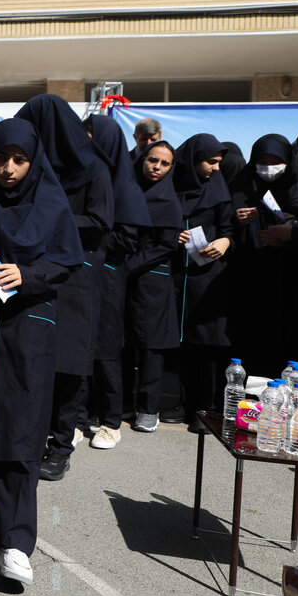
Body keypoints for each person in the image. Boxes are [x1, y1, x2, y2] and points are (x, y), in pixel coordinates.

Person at [0, 118, 83, 587]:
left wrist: (27, 275)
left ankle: (17, 542)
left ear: (33, 161)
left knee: (20, 433)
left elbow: (65, 260)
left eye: (19, 160)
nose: (7, 169)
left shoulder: (49, 200)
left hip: (26, 329)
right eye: (0, 158)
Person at [15, 95, 113, 481]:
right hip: (37, 274)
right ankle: (33, 436)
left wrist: (49, 217)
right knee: (37, 360)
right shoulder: (32, 167)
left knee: (70, 365)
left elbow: (100, 220)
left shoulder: (93, 168)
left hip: (77, 276)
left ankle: (60, 445)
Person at [85, 115, 151, 450]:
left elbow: (128, 239)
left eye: (91, 136)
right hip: (78, 273)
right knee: (77, 345)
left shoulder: (124, 185)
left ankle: (111, 421)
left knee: (106, 348)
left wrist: (89, 236)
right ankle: (79, 416)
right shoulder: (81, 177)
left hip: (108, 275)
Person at [172, 134, 235, 432]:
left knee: (209, 344)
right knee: (185, 344)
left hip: (208, 278)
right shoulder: (173, 186)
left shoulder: (219, 190)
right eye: (210, 161)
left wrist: (224, 241)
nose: (215, 168)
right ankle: (187, 404)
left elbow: (229, 229)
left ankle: (209, 409)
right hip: (178, 277)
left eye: (219, 162)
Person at [228, 134, 298, 374]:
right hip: (250, 275)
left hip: (288, 275)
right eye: (263, 161)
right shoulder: (241, 186)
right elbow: (224, 227)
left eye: (276, 161)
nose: (269, 168)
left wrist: (292, 230)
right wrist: (237, 219)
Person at [122, 142, 183, 432]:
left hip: (151, 279)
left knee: (150, 347)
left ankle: (148, 408)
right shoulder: (128, 189)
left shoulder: (168, 201)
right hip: (122, 276)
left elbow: (167, 245)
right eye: (152, 160)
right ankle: (121, 403)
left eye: (164, 163)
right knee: (120, 342)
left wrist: (132, 264)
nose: (156, 167)